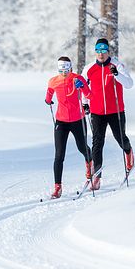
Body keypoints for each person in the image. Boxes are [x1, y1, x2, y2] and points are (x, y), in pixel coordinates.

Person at [82, 38, 134, 190]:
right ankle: (97, 177)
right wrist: (85, 103)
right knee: (97, 144)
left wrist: (117, 75)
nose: (101, 54)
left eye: (103, 51)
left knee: (120, 138)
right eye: (98, 51)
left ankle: (128, 151)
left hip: (116, 111)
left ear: (108, 52)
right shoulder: (89, 69)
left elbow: (129, 84)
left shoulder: (117, 65)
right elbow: (84, 87)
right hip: (97, 112)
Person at [45, 56, 93, 199]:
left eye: (66, 69)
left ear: (70, 67)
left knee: (82, 147)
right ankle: (57, 187)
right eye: (61, 70)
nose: (64, 73)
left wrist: (82, 87)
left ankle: (90, 165)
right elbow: (48, 97)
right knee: (59, 155)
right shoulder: (53, 81)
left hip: (78, 120)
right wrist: (48, 99)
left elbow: (89, 95)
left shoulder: (77, 78)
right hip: (61, 121)